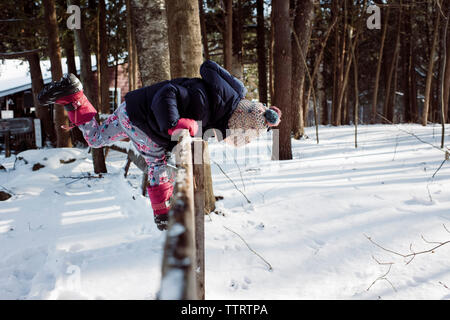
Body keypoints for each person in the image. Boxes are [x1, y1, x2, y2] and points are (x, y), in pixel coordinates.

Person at [38, 60, 281, 230]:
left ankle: (74, 97)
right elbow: (167, 92)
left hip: (133, 111)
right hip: (144, 122)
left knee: (96, 138)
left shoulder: (219, 107)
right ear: (238, 122)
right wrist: (173, 125)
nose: (229, 138)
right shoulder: (207, 103)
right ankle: (162, 214)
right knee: (157, 163)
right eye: (239, 135)